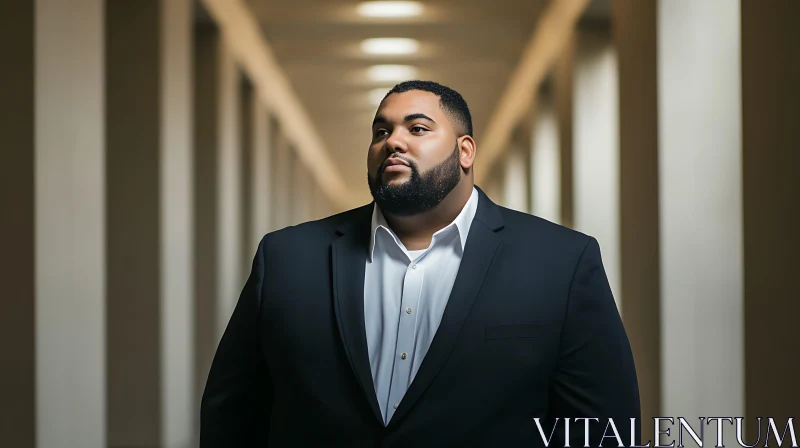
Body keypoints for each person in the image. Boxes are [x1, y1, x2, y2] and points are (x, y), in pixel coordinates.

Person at [200, 80, 641, 447]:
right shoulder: (287, 258)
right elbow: (232, 413)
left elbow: (603, 428)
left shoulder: (561, 262)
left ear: (465, 151)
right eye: (380, 131)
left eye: (418, 128)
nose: (393, 141)